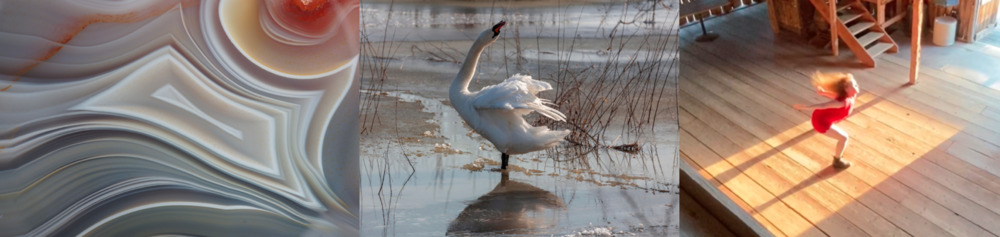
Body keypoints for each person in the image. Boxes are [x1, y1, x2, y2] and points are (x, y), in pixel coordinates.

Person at [793, 72, 859, 169]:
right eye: (854, 86)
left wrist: (823, 93)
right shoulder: (841, 103)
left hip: (824, 118)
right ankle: (837, 161)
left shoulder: (849, 95)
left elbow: (835, 95)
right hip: (820, 122)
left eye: (856, 84)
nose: (857, 87)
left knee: (840, 133)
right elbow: (823, 106)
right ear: (846, 89)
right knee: (844, 138)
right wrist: (805, 107)